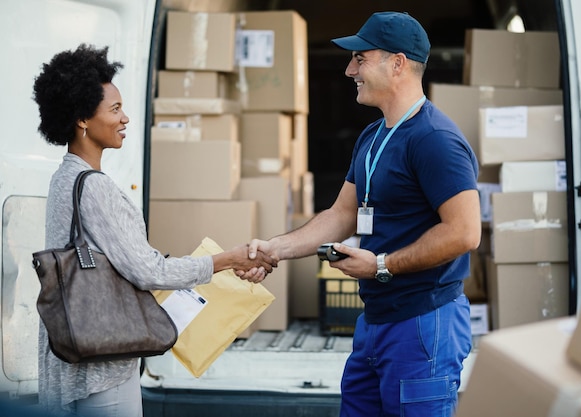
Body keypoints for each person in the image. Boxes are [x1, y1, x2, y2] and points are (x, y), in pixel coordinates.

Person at [242, 11, 481, 417]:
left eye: (361, 58)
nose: (349, 69)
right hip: (375, 321)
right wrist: (275, 249)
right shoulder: (373, 136)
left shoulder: (435, 140)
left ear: (398, 64)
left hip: (423, 323)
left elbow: (464, 233)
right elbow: (341, 214)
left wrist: (382, 265)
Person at [32, 44, 276, 417]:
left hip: (66, 354)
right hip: (103, 369)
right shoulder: (94, 186)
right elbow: (148, 271)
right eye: (115, 109)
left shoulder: (63, 178)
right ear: (82, 118)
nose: (126, 118)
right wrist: (228, 258)